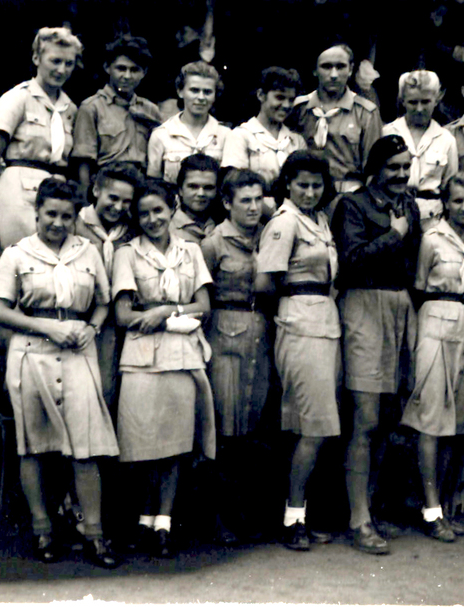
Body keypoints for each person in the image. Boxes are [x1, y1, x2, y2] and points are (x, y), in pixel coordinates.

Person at [0, 177, 120, 568]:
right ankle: (42, 529)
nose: (58, 223)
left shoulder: (89, 252)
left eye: (66, 215)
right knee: (34, 445)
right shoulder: (17, 254)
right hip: (31, 352)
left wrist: (91, 328)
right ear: (37, 212)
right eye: (50, 214)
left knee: (86, 445)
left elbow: (102, 302)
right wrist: (48, 328)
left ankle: (93, 533)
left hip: (78, 351)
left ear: (75, 215)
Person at [112, 179, 216, 557]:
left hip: (182, 355)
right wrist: (160, 315)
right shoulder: (127, 253)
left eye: (158, 210)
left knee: (174, 445)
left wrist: (162, 311)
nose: (152, 218)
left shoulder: (190, 251)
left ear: (172, 208)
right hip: (141, 356)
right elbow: (123, 315)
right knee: (141, 443)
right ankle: (143, 520)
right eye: (143, 213)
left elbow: (203, 304)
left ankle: (164, 525)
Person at [331, 135, 422, 555]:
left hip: (400, 307)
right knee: (364, 419)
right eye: (393, 168)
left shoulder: (411, 206)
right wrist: (394, 234)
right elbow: (350, 261)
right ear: (376, 169)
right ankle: (358, 519)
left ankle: (371, 507)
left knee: (388, 417)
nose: (401, 175)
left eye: (406, 167)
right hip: (364, 305)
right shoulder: (352, 205)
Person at [256, 151, 341, 552]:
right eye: (302, 184)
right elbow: (265, 283)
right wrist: (290, 316)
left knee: (311, 426)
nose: (310, 191)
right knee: (313, 427)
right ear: (287, 183)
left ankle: (298, 512)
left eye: (316, 185)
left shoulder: (319, 220)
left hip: (324, 322)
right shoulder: (285, 222)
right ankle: (293, 518)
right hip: (300, 322)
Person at [400, 171, 464, 542]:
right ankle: (430, 508)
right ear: (445, 203)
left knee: (458, 422)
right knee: (430, 419)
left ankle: (447, 503)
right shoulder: (432, 238)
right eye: (457, 201)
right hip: (435, 322)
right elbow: (418, 288)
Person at [199, 169, 271, 545]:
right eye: (245, 200)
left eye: (258, 199)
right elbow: (201, 294)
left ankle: (246, 515)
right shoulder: (214, 243)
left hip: (260, 335)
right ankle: (217, 519)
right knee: (224, 432)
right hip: (224, 334)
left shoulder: (268, 235)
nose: (253, 207)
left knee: (251, 432)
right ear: (227, 203)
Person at [0, 27, 82, 248]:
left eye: (68, 63)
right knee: (26, 269)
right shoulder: (16, 99)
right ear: (37, 58)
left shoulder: (70, 108)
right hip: (18, 194)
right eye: (55, 61)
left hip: (58, 196)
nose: (61, 69)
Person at [74, 161, 142, 410]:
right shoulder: (75, 223)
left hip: (114, 317)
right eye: (112, 198)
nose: (118, 207)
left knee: (107, 385)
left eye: (126, 201)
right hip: (81, 313)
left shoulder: (130, 230)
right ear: (95, 191)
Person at [71, 35, 162, 196]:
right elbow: (84, 161)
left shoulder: (150, 110)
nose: (127, 76)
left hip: (142, 187)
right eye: (121, 68)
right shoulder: (92, 107)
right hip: (106, 184)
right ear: (107, 68)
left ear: (144, 72)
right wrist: (85, 199)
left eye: (134, 70)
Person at [289, 43, 382, 194]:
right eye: (326, 67)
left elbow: (374, 169)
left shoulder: (366, 112)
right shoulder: (299, 108)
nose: (333, 74)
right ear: (314, 70)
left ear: (350, 69)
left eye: (340, 67)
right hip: (306, 192)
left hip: (348, 194)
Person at [221, 67, 307, 213]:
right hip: (253, 214)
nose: (286, 105)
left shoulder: (296, 141)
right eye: (279, 97)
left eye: (291, 100)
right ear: (261, 95)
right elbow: (236, 186)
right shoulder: (241, 135)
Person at [383, 70, 459, 229]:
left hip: (431, 218)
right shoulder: (387, 133)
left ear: (436, 100)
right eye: (413, 102)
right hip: (392, 214)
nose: (419, 108)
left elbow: (450, 187)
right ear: (402, 101)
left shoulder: (446, 139)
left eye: (425, 102)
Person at [147, 61, 229, 184]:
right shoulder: (161, 135)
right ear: (180, 92)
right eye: (194, 90)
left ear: (215, 95)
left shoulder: (225, 135)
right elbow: (153, 183)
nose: (201, 97)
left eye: (207, 92)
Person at [170, 153, 220, 244]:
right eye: (193, 187)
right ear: (180, 190)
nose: (201, 193)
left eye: (208, 187)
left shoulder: (222, 226)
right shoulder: (166, 230)